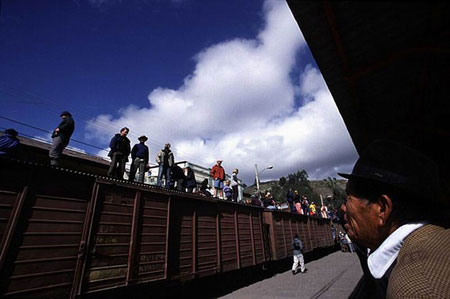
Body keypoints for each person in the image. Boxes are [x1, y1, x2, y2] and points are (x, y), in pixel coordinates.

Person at [339, 139, 450, 298]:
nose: (343, 207)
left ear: (382, 209)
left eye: (348, 198)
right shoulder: (437, 238)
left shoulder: (413, 290)